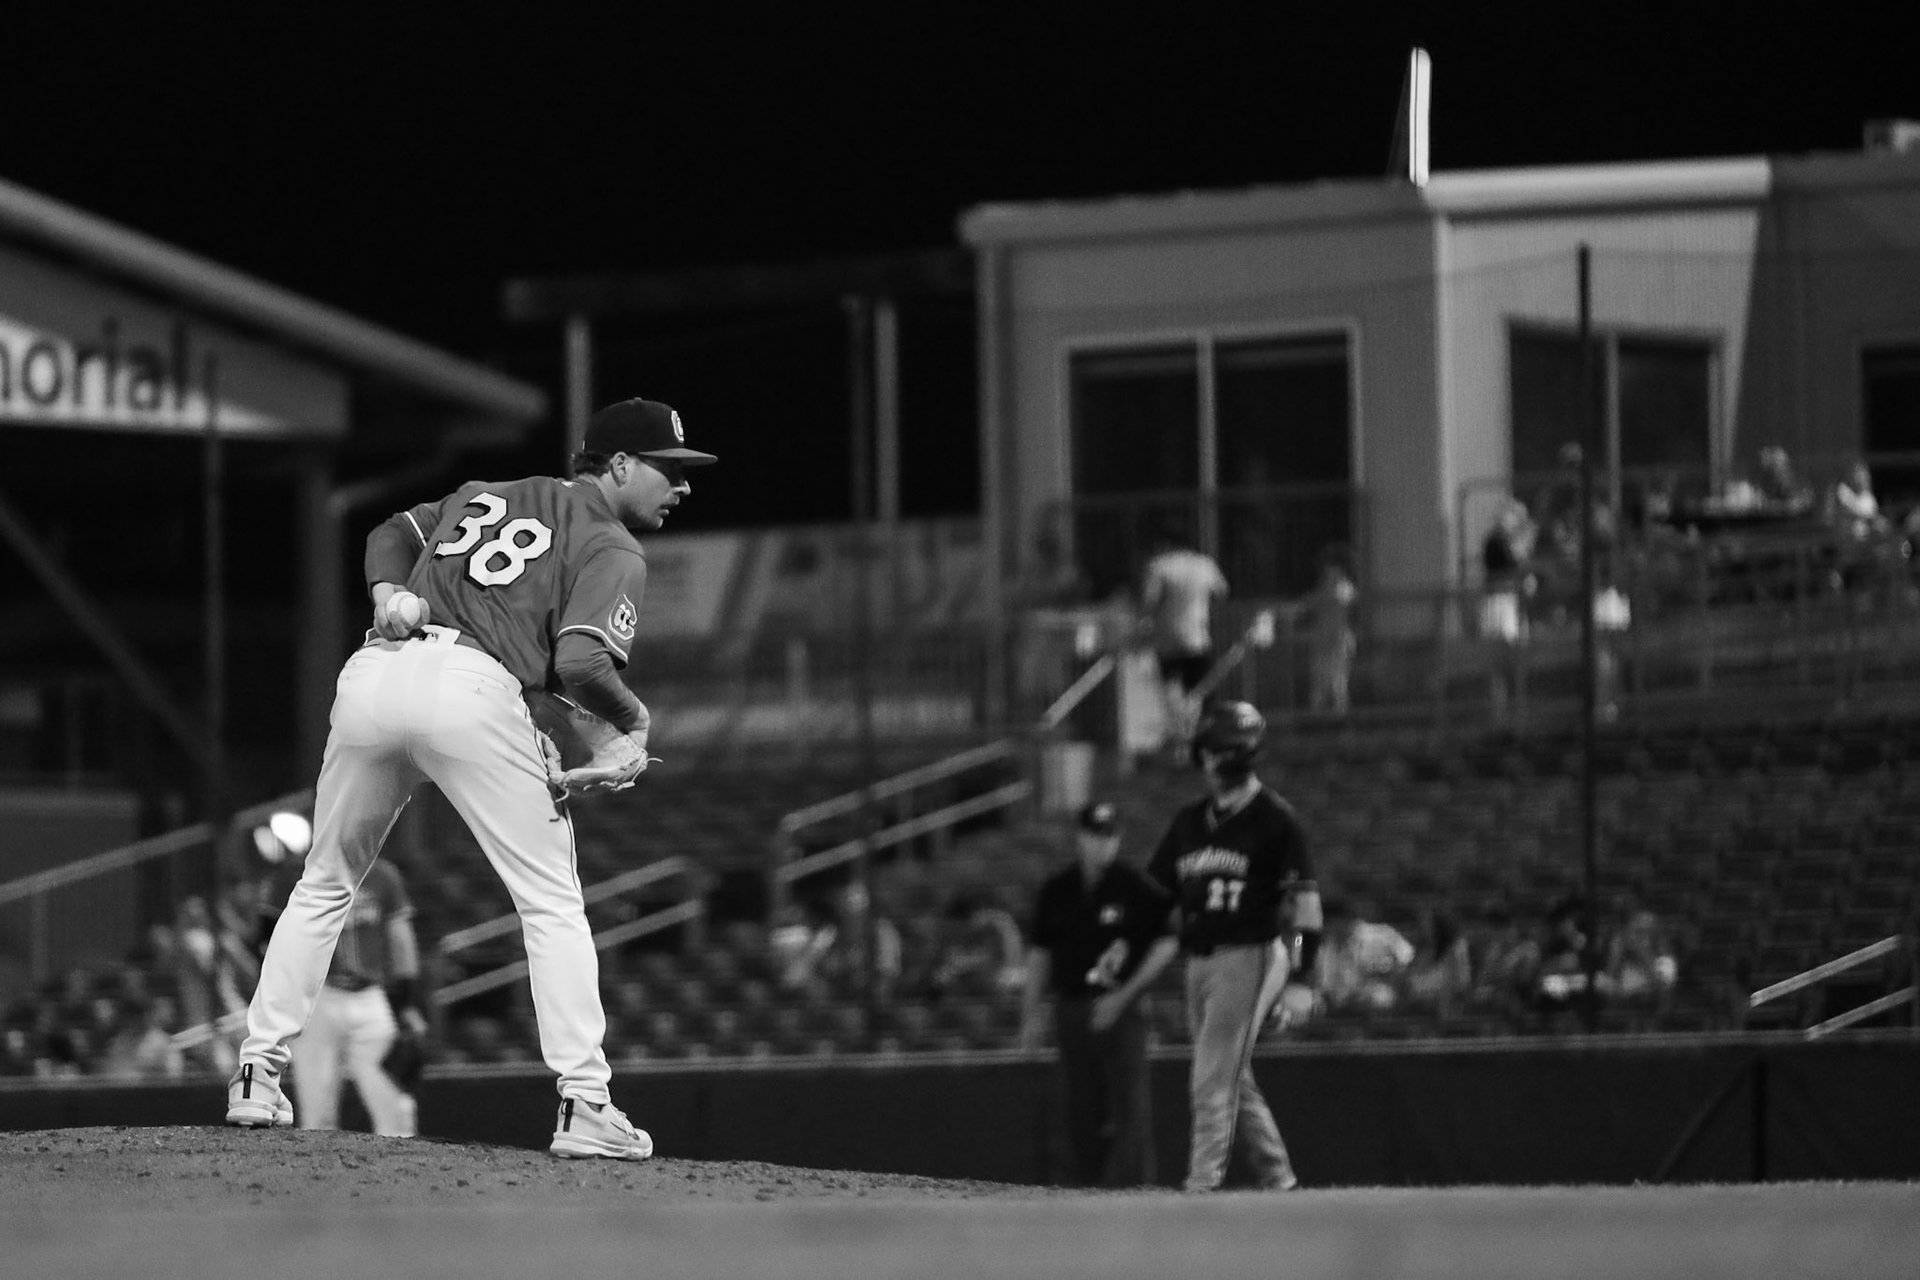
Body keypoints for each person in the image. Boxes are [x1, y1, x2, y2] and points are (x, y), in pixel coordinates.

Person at [225, 396, 716, 1163]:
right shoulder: (613, 543)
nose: (681, 486)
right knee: (551, 898)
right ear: (618, 464)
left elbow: (389, 532)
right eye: (670, 469)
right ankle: (585, 1103)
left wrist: (388, 593)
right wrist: (633, 721)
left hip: (375, 677)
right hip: (471, 691)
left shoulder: (488, 495)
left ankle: (257, 1072)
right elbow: (582, 662)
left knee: (324, 882)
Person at [1144, 700, 1321, 1192]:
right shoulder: (1188, 823)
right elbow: (1154, 894)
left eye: (1226, 750)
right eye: (1211, 749)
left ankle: (1202, 1184)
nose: (1216, 759)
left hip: (1252, 955)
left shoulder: (1275, 819)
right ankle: (1280, 1180)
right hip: (1199, 963)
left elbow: (1306, 910)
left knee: (1209, 1077)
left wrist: (1303, 979)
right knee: (1231, 1075)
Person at [1019, 801, 1179, 1188]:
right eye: (1095, 835)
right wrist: (1030, 1013)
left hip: (1121, 1010)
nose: (1102, 844)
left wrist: (1124, 995)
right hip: (1072, 1006)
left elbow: (1169, 941)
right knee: (1079, 1111)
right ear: (1079, 837)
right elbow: (1040, 955)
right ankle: (1082, 1195)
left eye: (1109, 836)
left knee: (1130, 1112)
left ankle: (1132, 1192)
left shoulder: (1134, 887)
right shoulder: (1058, 890)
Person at [256, 819, 429, 1137]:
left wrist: (406, 1002)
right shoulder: (296, 877)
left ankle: (401, 1179)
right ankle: (322, 1183)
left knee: (396, 1105)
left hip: (370, 998)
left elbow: (401, 940)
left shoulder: (383, 876)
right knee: (317, 1110)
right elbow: (268, 941)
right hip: (317, 999)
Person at [1140, 530, 1228, 751]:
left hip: (1167, 639)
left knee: (1171, 687)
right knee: (1196, 689)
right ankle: (1194, 733)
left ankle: (1179, 735)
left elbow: (1149, 602)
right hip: (1198, 636)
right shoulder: (1204, 564)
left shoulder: (1159, 565)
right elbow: (1222, 592)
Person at [1317, 899, 1415, 1013]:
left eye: (1331, 924)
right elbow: (1327, 987)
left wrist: (1390, 976)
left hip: (1381, 1001)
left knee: (1380, 997)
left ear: (1343, 920)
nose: (1328, 930)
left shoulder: (1380, 935)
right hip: (1344, 1007)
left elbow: (1409, 959)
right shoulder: (1326, 948)